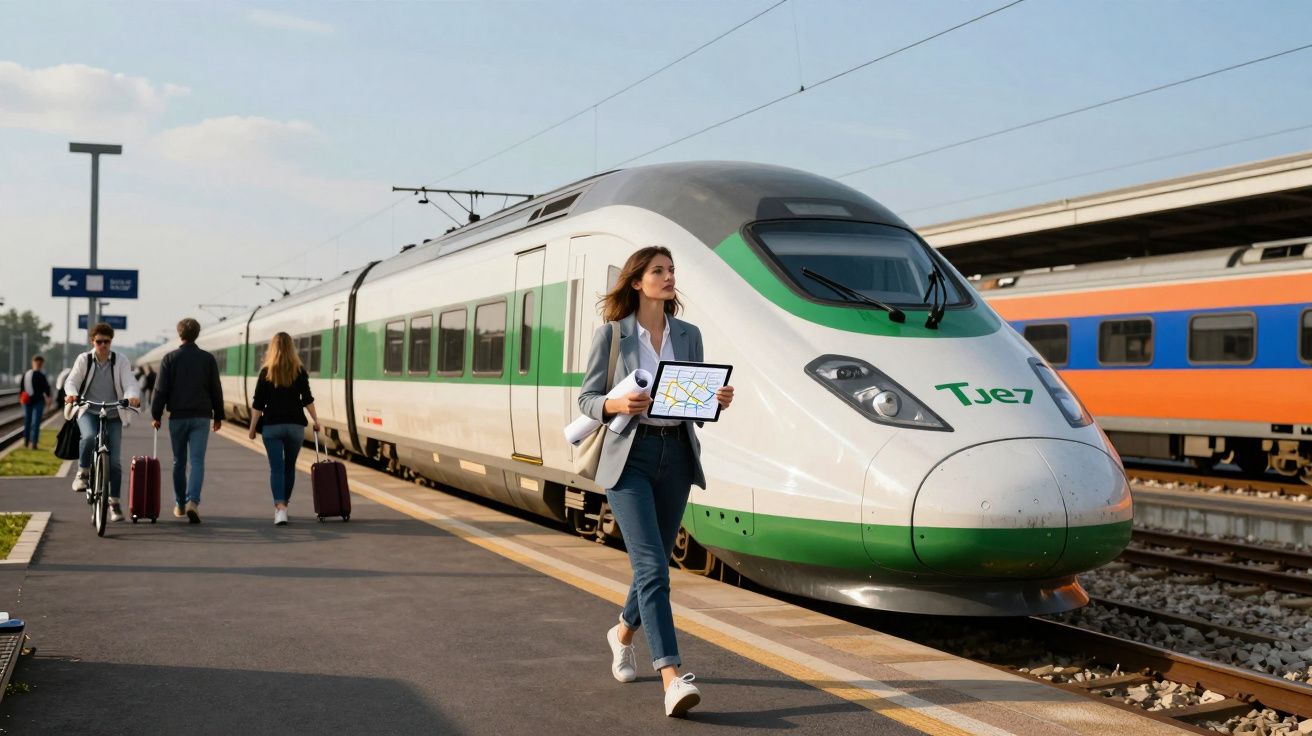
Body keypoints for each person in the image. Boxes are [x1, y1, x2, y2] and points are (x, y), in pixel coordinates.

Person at [579, 246, 734, 718]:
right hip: (630, 457)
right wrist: (615, 405)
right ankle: (671, 677)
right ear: (637, 281)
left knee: (654, 567)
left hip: (677, 456)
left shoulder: (689, 335)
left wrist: (714, 400)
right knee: (651, 568)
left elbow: (691, 407)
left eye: (671, 271)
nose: (669, 277)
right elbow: (587, 400)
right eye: (658, 271)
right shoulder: (612, 335)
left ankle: (622, 633)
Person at [64, 323, 142, 522]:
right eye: (99, 341)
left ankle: (114, 503)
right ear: (93, 341)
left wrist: (132, 396)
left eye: (107, 341)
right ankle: (83, 472)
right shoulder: (84, 359)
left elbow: (130, 382)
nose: (103, 345)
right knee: (89, 436)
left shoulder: (120, 360)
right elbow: (71, 381)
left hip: (113, 413)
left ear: (111, 341)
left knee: (114, 462)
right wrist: (72, 394)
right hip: (88, 410)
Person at [151, 318, 224, 524]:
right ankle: (193, 502)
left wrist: (156, 415)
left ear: (179, 334)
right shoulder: (207, 359)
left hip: (178, 417)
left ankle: (180, 504)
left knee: (179, 461)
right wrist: (218, 415)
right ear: (197, 334)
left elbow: (160, 390)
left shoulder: (169, 358)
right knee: (197, 461)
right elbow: (215, 389)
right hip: (201, 417)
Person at [247, 332, 319, 526]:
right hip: (295, 427)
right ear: (291, 348)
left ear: (272, 349)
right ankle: (284, 504)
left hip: (272, 427)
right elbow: (307, 399)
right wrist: (316, 420)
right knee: (289, 467)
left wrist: (252, 429)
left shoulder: (266, 371)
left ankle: (280, 509)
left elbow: (258, 404)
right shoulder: (299, 371)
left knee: (276, 468)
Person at [20, 355, 52, 449]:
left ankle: (34, 443)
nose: (38, 365)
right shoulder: (26, 375)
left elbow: (47, 388)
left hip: (38, 402)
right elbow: (22, 388)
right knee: (27, 422)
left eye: (40, 364)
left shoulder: (42, 376)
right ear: (33, 363)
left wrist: (48, 398)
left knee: (36, 422)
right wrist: (21, 398)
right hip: (28, 402)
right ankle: (26, 442)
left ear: (42, 364)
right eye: (37, 363)